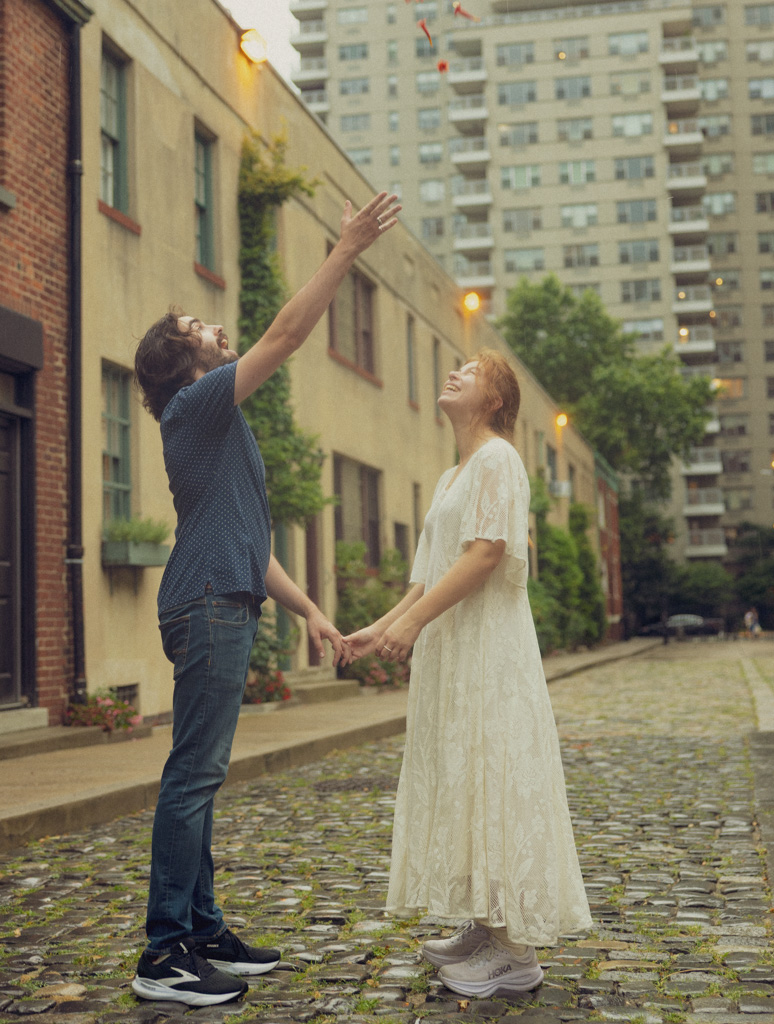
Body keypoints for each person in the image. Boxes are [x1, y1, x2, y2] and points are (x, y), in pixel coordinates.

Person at [130, 191, 400, 1007]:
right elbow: (286, 335)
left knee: (200, 776)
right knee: (193, 774)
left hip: (223, 594)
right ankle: (164, 952)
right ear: (184, 362)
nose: (214, 327)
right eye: (196, 329)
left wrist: (311, 610)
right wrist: (344, 249)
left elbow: (250, 540)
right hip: (208, 604)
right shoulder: (196, 401)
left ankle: (203, 926)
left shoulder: (218, 419)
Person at [345, 350, 592, 999]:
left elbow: (485, 555)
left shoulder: (498, 459)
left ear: (495, 400)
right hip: (452, 654)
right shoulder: (452, 473)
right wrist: (385, 624)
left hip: (488, 652)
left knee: (495, 774)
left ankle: (515, 951)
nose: (453, 372)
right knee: (465, 779)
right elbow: (427, 576)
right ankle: (485, 926)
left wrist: (413, 624)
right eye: (451, 365)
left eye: (470, 370)